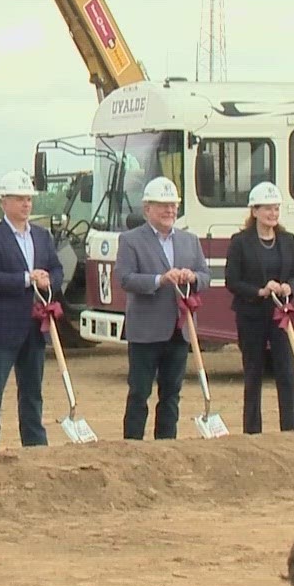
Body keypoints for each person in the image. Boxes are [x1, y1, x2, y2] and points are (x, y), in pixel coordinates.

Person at [0, 169, 63, 450]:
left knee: (32, 393)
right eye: (20, 199)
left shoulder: (42, 236)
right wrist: (25, 279)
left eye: (29, 199)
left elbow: (57, 269)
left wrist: (49, 282)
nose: (26, 204)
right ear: (4, 202)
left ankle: (35, 445)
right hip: (1, 329)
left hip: (34, 329)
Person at [113, 176, 210, 440]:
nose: (169, 211)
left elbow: (206, 276)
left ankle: (166, 445)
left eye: (173, 205)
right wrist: (160, 280)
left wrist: (192, 277)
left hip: (179, 330)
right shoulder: (131, 240)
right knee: (139, 392)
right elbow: (124, 279)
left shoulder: (190, 240)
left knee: (171, 394)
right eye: (162, 205)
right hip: (145, 330)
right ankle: (132, 445)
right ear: (147, 209)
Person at [223, 181, 294, 434]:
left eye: (276, 209)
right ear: (254, 211)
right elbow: (232, 281)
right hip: (251, 316)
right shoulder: (240, 242)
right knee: (254, 372)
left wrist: (289, 287)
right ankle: (252, 430)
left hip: (280, 315)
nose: (272, 214)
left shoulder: (287, 240)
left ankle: (289, 428)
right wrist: (259, 291)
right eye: (267, 209)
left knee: (286, 371)